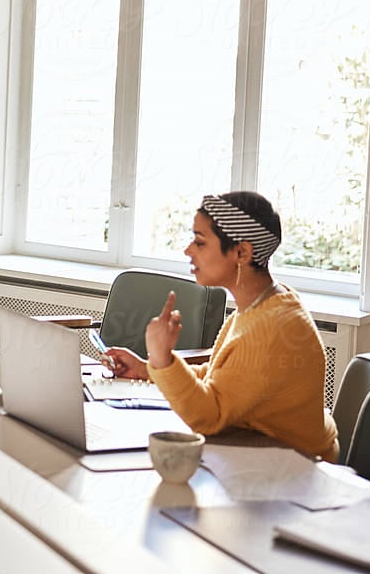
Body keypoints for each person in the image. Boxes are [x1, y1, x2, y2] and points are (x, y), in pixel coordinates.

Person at [105, 191, 338, 461]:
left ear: (242, 252)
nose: (188, 251)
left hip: (294, 468)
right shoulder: (264, 303)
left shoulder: (273, 327)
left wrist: (163, 360)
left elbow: (207, 418)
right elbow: (222, 376)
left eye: (200, 242)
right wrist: (146, 369)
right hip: (256, 452)